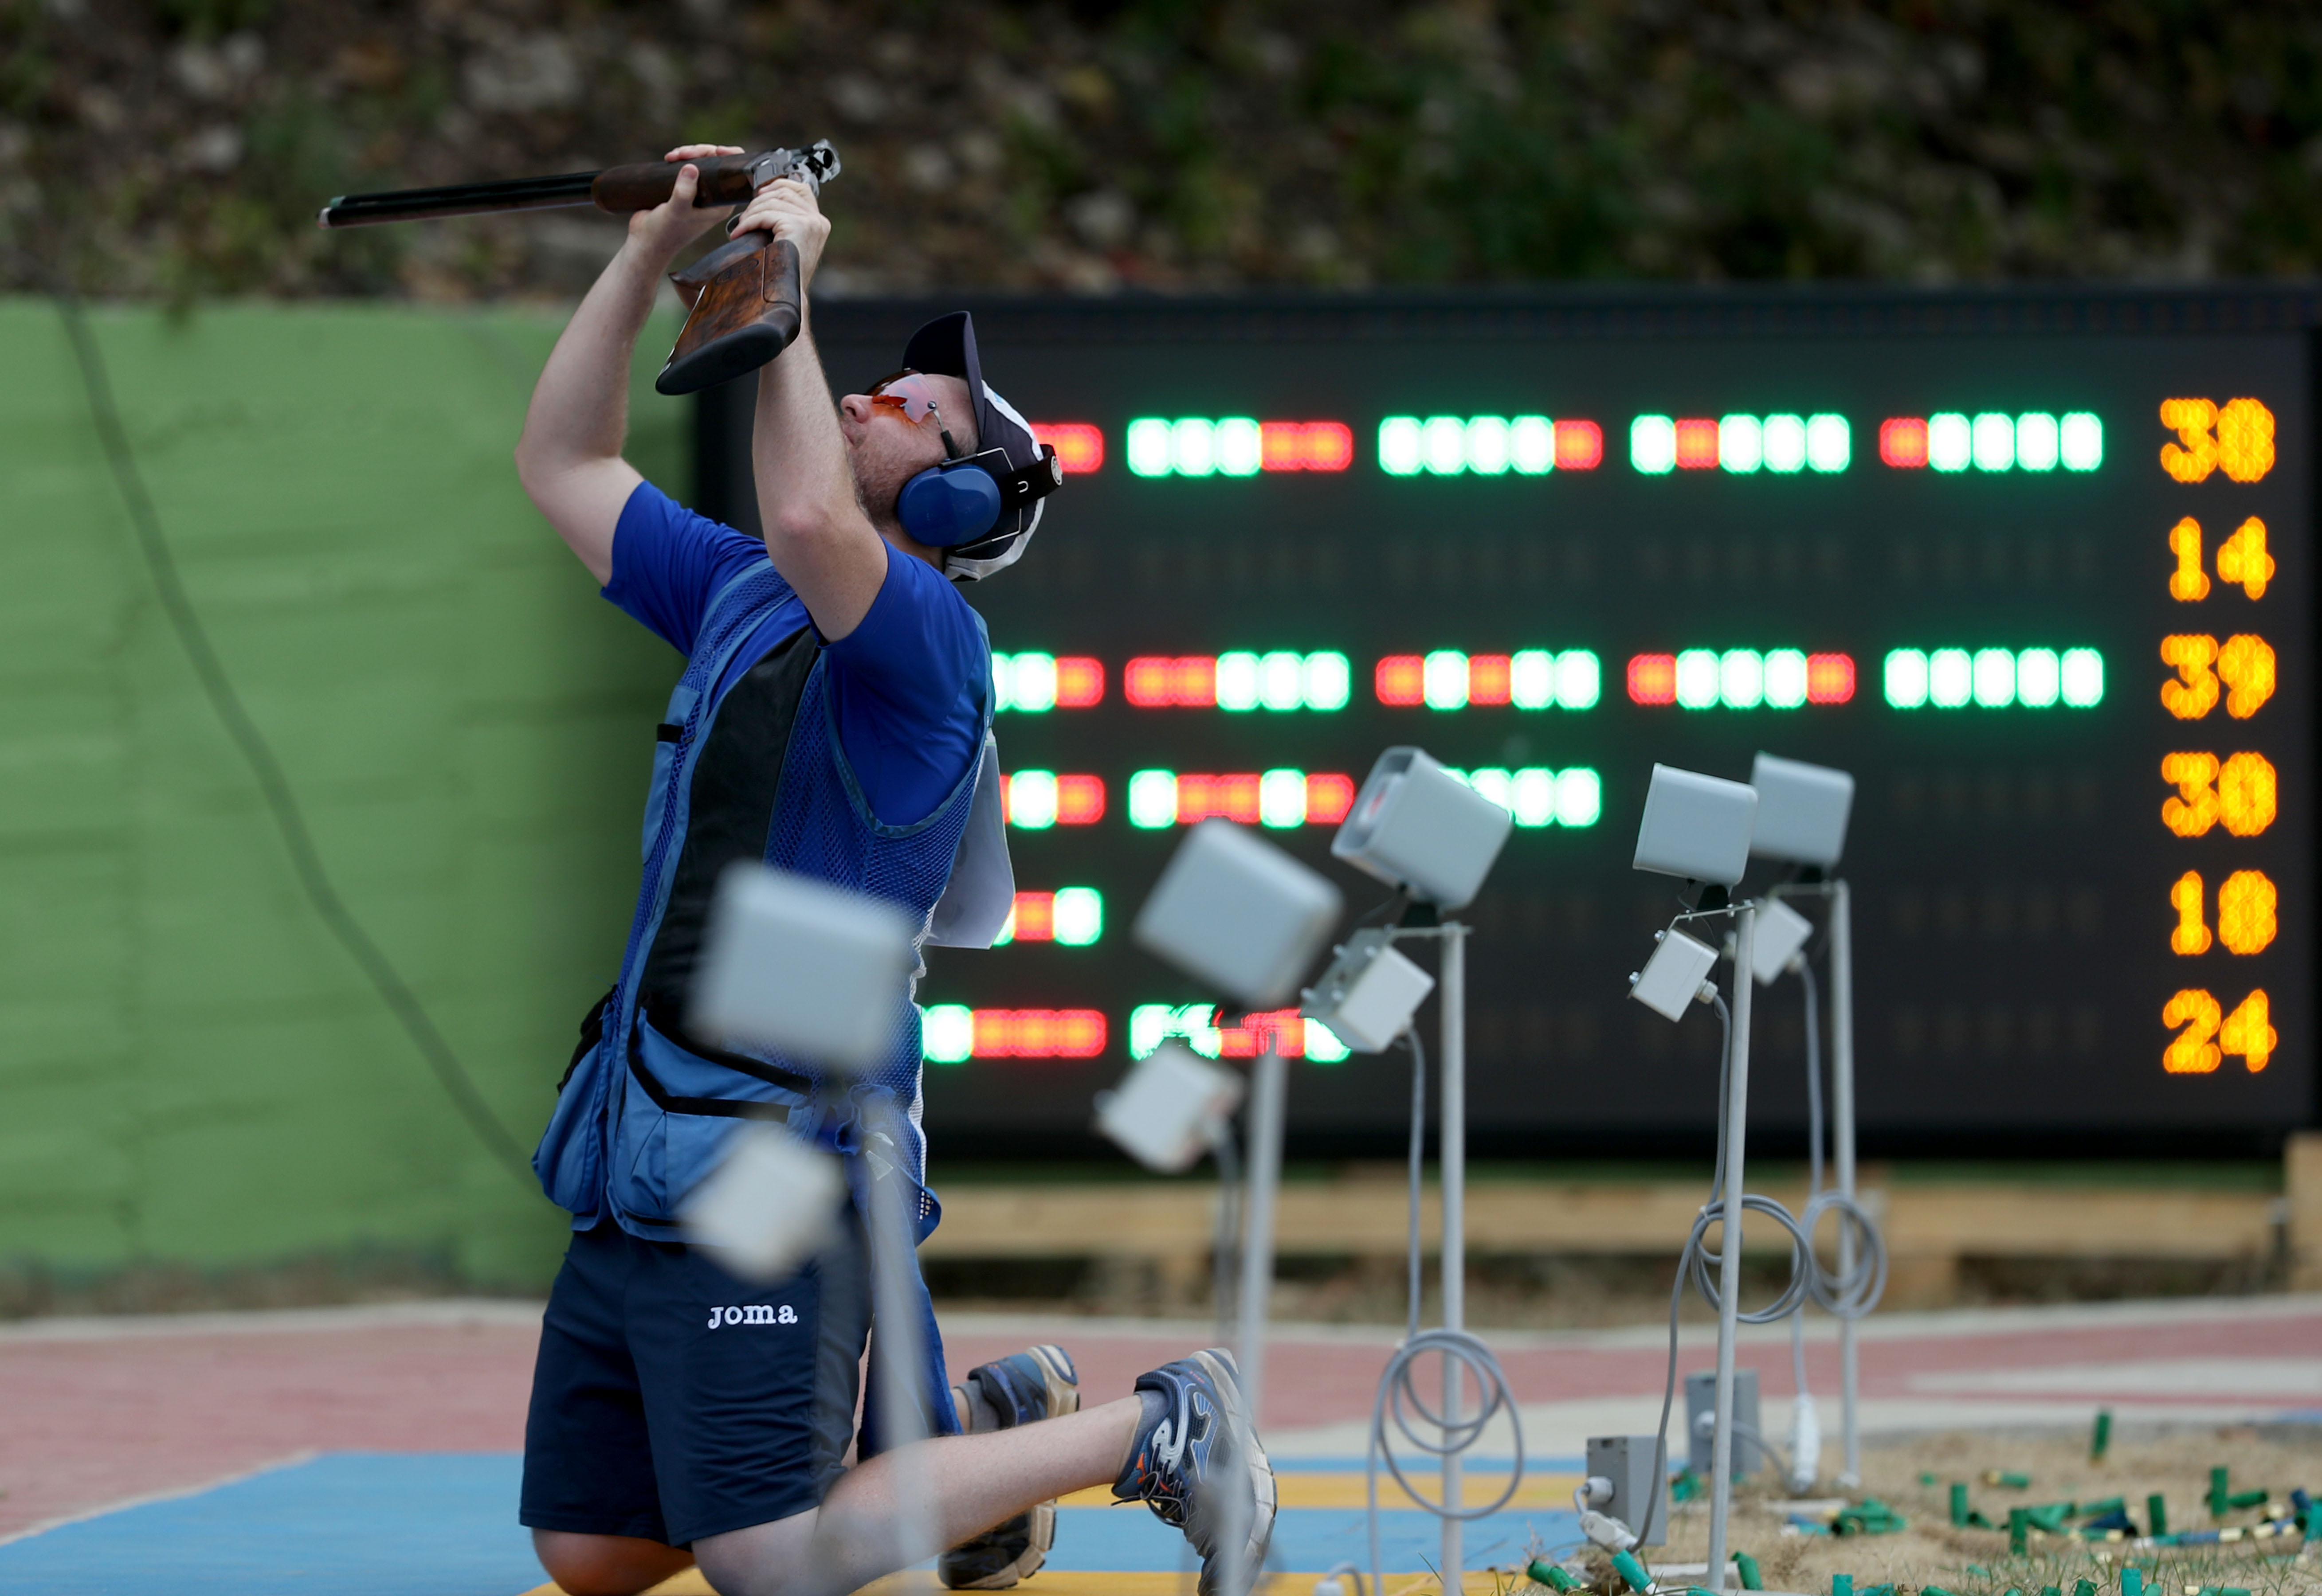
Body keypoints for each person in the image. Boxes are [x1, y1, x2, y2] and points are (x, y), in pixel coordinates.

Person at [507, 144, 1276, 1596]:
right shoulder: (739, 591)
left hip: (777, 1158)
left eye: (912, 411)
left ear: (956, 507)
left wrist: (783, 278)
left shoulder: (930, 639)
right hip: (640, 1134)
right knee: (591, 1552)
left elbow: (810, 514)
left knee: (771, 1559)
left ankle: (1158, 1425)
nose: (865, 399)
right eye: (872, 387)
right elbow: (566, 463)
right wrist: (647, 251)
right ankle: (969, 1442)